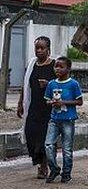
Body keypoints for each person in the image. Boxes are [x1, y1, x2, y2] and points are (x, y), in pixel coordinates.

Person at [17, 36, 56, 179]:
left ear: (48, 49)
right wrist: (20, 102)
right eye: (37, 48)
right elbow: (25, 85)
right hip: (33, 106)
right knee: (30, 134)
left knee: (44, 137)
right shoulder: (32, 65)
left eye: (42, 48)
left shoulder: (54, 65)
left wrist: (49, 85)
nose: (39, 50)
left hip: (48, 108)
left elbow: (60, 84)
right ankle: (39, 161)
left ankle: (44, 165)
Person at [43, 56, 84, 184]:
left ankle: (66, 173)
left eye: (61, 66)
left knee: (67, 149)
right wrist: (51, 102)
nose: (58, 69)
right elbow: (46, 99)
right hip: (54, 119)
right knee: (49, 145)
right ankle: (54, 168)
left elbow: (79, 101)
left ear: (68, 69)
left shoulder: (73, 84)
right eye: (56, 66)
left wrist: (63, 102)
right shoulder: (51, 84)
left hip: (68, 119)